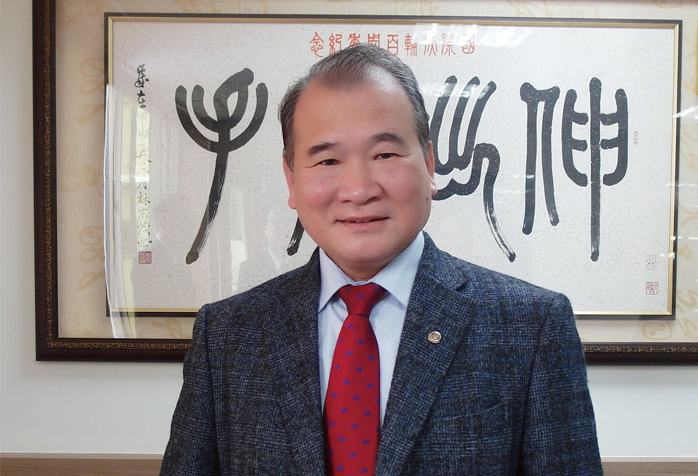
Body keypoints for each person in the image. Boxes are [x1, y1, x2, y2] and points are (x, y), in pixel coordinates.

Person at [161, 44, 603, 475]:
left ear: (429, 163)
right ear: (291, 180)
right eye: (328, 160)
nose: (359, 189)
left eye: (385, 154)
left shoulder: (531, 325)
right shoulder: (228, 334)